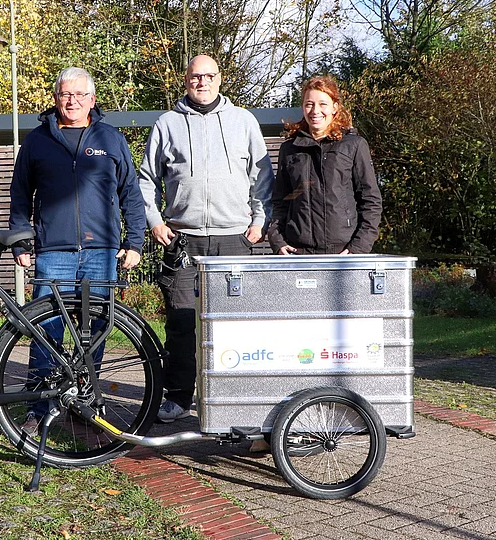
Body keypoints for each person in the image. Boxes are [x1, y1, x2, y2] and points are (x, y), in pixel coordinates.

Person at [9, 66, 146, 432]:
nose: (72, 101)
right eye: (66, 95)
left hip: (101, 252)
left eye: (80, 95)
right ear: (56, 98)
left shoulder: (112, 139)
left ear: (92, 100)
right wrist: (22, 240)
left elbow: (130, 193)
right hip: (53, 251)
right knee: (46, 328)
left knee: (96, 328)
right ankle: (38, 407)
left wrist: (135, 240)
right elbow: (20, 192)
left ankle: (84, 401)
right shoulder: (38, 140)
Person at [139, 55, 274, 423]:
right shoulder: (167, 124)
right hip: (183, 240)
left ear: (220, 79)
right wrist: (154, 222)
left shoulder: (243, 121)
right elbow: (146, 181)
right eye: (195, 76)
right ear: (186, 80)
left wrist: (260, 222)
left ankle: (236, 397)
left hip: (234, 240)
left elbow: (262, 179)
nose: (202, 82)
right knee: (181, 324)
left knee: (236, 323)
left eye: (209, 76)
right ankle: (179, 397)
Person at [266, 75, 382, 255]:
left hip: (343, 253)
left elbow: (371, 201)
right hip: (298, 252)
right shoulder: (289, 149)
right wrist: (277, 240)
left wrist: (358, 248)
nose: (315, 110)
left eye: (323, 104)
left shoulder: (354, 145)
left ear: (335, 108)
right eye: (309, 104)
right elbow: (280, 201)